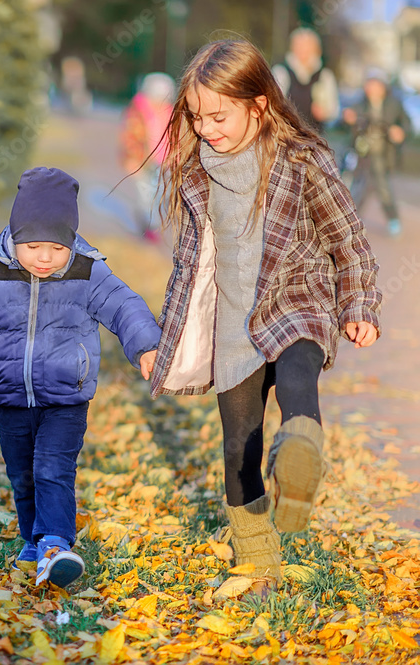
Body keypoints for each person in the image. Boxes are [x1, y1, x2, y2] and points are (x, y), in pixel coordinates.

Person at [150, 40, 381, 591]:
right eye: (197, 116)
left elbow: (346, 239)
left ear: (258, 104)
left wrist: (359, 304)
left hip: (296, 300)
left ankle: (300, 463)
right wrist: (169, 340)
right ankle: (257, 559)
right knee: (239, 444)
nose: (206, 128)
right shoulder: (196, 174)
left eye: (219, 115)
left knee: (299, 379)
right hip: (234, 324)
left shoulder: (301, 159)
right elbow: (190, 266)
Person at [0, 167, 161, 588]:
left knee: (53, 467)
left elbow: (125, 306)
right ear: (14, 236)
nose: (45, 258)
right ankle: (34, 541)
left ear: (70, 242)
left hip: (66, 398)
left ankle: (55, 543)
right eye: (33, 246)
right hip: (10, 397)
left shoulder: (87, 272)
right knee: (22, 474)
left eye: (56, 248)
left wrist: (146, 346)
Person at [343, 68, 411, 236]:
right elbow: (344, 120)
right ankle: (351, 222)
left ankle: (392, 219)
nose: (372, 89)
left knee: (383, 188)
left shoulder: (394, 104)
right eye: (369, 85)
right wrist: (347, 118)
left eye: (376, 85)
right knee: (357, 188)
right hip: (363, 153)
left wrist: (400, 131)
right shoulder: (360, 103)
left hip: (383, 153)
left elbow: (406, 125)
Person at [120, 72, 176, 241]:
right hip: (142, 161)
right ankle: (149, 227)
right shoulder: (138, 112)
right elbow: (131, 137)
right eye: (157, 97)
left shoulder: (169, 112)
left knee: (159, 194)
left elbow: (174, 137)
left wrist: (175, 156)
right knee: (146, 195)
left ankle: (151, 224)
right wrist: (131, 159)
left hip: (162, 162)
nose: (161, 102)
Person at [271, 28, 339, 133]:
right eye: (299, 46)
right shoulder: (281, 72)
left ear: (317, 50)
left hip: (315, 138)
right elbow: (272, 105)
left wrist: (324, 113)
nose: (303, 51)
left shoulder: (324, 76)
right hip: (286, 136)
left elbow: (334, 111)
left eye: (307, 47)